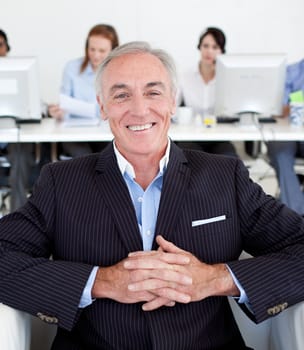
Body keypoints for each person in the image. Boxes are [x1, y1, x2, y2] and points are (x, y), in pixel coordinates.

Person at [0, 41, 304, 350]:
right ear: (102, 106)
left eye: (153, 92)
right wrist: (99, 282)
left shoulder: (225, 177)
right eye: (121, 95)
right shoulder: (61, 182)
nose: (139, 109)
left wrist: (215, 279)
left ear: (173, 101)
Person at [48, 23, 119, 157]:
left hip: (105, 132)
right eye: (92, 49)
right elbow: (65, 103)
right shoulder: (72, 68)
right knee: (84, 158)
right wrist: (59, 112)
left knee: (109, 156)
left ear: (113, 50)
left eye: (102, 51)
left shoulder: (119, 72)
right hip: (74, 132)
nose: (96, 55)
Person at [177, 27, 237, 157]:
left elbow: (234, 111)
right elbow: (171, 107)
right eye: (205, 46)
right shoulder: (184, 75)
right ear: (200, 48)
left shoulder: (227, 77)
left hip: (219, 136)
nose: (209, 51)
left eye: (215, 47)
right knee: (192, 159)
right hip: (191, 136)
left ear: (221, 51)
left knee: (229, 158)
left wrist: (221, 75)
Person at [267, 58, 304, 214]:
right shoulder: (292, 71)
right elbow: (279, 109)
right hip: (289, 133)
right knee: (280, 151)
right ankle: (297, 216)